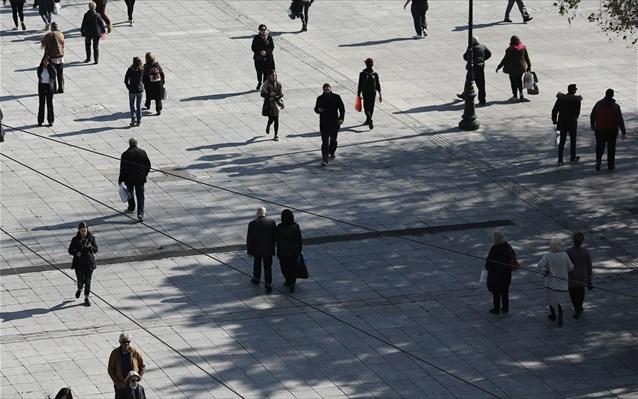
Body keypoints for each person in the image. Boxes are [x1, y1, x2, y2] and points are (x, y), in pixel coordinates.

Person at [538, 238, 574, 327]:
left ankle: (553, 315)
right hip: (562, 283)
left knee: (551, 300)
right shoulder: (565, 255)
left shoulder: (547, 255)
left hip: (550, 283)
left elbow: (540, 264)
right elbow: (571, 267)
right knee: (560, 301)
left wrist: (545, 270)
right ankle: (560, 317)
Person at [590, 88, 627, 171]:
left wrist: (592, 125)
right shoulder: (616, 106)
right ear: (613, 95)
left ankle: (598, 161)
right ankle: (610, 165)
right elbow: (619, 120)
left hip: (600, 129)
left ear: (605, 94)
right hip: (612, 130)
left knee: (599, 146)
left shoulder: (598, 104)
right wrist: (623, 131)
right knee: (611, 148)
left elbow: (592, 115)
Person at [118, 138, 151, 223]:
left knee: (130, 193)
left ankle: (131, 207)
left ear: (129, 144)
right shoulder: (142, 152)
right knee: (140, 196)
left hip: (129, 178)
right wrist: (145, 174)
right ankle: (140, 213)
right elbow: (148, 165)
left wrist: (120, 179)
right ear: (136, 143)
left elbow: (123, 169)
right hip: (140, 178)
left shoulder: (125, 154)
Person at [246, 206, 277, 293]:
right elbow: (275, 236)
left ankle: (256, 279)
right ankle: (268, 285)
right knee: (268, 267)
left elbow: (250, 239)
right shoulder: (272, 222)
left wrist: (249, 250)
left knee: (257, 265)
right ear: (265, 213)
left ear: (257, 213)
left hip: (257, 249)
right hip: (268, 249)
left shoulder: (252, 223)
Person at [314, 83, 345, 167]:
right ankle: (325, 159)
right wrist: (319, 110)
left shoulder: (336, 97)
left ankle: (332, 152)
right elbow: (316, 109)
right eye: (325, 90)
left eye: (328, 89)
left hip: (334, 122)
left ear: (331, 89)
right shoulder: (320, 98)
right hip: (324, 123)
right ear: (323, 90)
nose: (327, 91)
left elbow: (342, 108)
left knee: (333, 140)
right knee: (325, 141)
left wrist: (341, 118)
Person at [108, 332, 146, 399]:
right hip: (121, 384)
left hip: (132, 383)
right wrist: (117, 383)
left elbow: (142, 366)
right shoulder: (115, 353)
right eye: (124, 342)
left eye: (128, 342)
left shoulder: (135, 352)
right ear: (120, 342)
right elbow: (110, 369)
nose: (126, 344)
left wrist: (138, 378)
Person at [68, 221, 97, 307]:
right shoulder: (75, 239)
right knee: (81, 280)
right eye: (82, 231)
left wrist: (90, 247)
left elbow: (96, 249)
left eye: (85, 230)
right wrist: (76, 253)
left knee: (88, 281)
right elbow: (70, 250)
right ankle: (79, 288)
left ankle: (86, 297)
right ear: (79, 231)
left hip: (89, 263)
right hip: (79, 264)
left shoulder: (91, 239)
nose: (84, 232)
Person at [552, 84, 582, 165]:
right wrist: (574, 118)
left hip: (562, 121)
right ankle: (573, 156)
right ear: (573, 90)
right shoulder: (576, 100)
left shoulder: (561, 98)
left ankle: (560, 159)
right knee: (573, 140)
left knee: (562, 141)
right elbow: (577, 112)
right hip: (572, 122)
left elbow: (555, 110)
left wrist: (554, 120)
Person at [484, 232, 514, 315]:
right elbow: (513, 257)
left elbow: (488, 265)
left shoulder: (494, 248)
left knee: (496, 292)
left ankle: (496, 309)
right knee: (505, 291)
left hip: (495, 276)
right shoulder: (508, 246)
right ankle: (505, 308)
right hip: (506, 274)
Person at [457, 36, 492, 105]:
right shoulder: (483, 47)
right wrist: (482, 59)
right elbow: (489, 54)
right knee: (481, 84)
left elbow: (465, 57)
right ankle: (482, 100)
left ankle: (465, 94)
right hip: (480, 67)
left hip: (472, 67)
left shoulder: (471, 48)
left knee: (468, 81)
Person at [495, 35, 531, 102]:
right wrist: (529, 66)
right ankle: (521, 94)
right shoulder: (523, 48)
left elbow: (505, 60)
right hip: (521, 68)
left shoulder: (509, 50)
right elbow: (527, 57)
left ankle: (515, 96)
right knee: (519, 81)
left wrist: (498, 67)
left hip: (512, 69)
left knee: (513, 82)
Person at [566, 232, 593, 319]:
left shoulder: (569, 252)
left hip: (572, 274)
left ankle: (576, 308)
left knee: (573, 292)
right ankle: (580, 306)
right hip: (582, 274)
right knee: (581, 291)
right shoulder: (585, 252)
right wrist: (589, 276)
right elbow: (589, 265)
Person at [276, 209, 303, 293]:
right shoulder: (295, 226)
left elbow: (276, 239)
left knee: (284, 267)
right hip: (293, 251)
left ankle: (288, 280)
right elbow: (299, 239)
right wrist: (300, 249)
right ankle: (293, 282)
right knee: (293, 267)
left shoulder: (279, 227)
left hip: (283, 251)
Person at [356, 58, 382, 130]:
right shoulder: (375, 74)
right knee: (371, 106)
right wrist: (380, 94)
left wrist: (358, 94)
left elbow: (360, 84)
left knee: (366, 107)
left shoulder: (362, 74)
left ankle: (369, 119)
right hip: (373, 92)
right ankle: (368, 120)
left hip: (365, 92)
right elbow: (378, 85)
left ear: (366, 64)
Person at [41, 22, 65, 93]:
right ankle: (61, 88)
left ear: (52, 27)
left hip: (52, 57)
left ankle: (53, 89)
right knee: (60, 74)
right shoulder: (61, 34)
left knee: (52, 74)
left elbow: (43, 42)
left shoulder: (49, 35)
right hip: (60, 57)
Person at [261, 69, 283, 141]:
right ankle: (268, 125)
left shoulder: (278, 84)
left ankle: (276, 134)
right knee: (271, 119)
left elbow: (281, 94)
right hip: (269, 103)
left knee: (276, 118)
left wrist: (276, 97)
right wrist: (269, 95)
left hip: (276, 103)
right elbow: (262, 94)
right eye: (272, 75)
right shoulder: (266, 84)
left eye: (275, 75)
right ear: (269, 76)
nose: (274, 77)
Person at [251, 24, 275, 91]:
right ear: (259, 31)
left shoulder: (269, 37)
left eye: (264, 29)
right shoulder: (256, 38)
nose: (263, 31)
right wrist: (260, 52)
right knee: (259, 72)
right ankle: (259, 82)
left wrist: (266, 52)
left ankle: (264, 85)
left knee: (266, 72)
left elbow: (272, 47)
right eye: (262, 30)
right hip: (259, 59)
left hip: (267, 58)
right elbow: (253, 48)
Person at [37, 56, 57, 127]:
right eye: (44, 61)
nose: (45, 62)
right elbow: (39, 76)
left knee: (49, 104)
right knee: (41, 104)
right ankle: (40, 120)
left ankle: (50, 120)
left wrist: (54, 88)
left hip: (49, 87)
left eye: (47, 61)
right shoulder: (39, 69)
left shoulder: (51, 69)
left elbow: (54, 79)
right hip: (42, 86)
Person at [124, 57, 144, 126]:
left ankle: (133, 119)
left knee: (132, 105)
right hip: (140, 90)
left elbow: (126, 80)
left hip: (132, 90)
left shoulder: (130, 69)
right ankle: (139, 121)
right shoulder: (141, 69)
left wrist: (129, 87)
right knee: (139, 106)